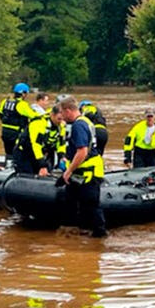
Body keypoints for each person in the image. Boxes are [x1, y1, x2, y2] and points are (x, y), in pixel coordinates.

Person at [59, 97, 106, 237]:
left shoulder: (78, 126)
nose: (61, 116)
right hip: (84, 171)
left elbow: (82, 151)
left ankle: (99, 237)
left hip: (88, 172)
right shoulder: (86, 121)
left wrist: (68, 171)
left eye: (62, 112)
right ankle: (77, 233)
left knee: (91, 206)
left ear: (68, 111)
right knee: (72, 201)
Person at [14, 105, 64, 176]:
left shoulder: (61, 127)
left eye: (63, 119)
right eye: (59, 119)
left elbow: (61, 144)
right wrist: (42, 164)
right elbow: (36, 145)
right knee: (28, 174)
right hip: (24, 152)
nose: (61, 122)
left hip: (40, 153)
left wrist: (62, 157)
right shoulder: (38, 123)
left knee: (47, 172)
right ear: (52, 115)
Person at [0, 83, 37, 155]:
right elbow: (34, 116)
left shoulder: (5, 101)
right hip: (16, 133)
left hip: (5, 132)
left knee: (8, 153)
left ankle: (9, 164)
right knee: (17, 153)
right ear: (23, 94)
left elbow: (0, 113)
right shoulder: (21, 104)